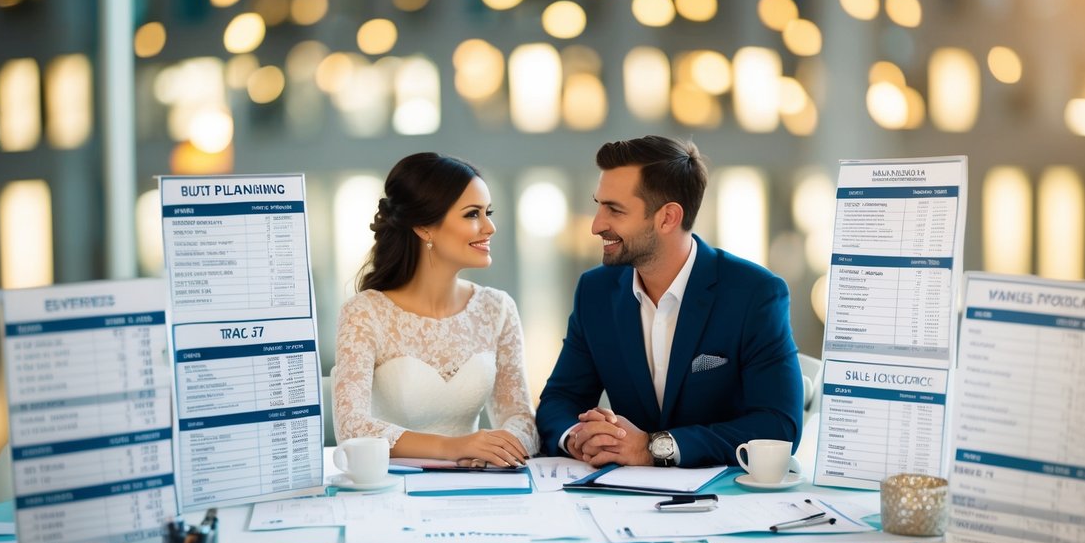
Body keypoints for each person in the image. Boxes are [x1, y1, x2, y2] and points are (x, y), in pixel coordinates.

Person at [537, 135, 803, 468]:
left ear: (667, 218)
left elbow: (779, 427)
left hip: (724, 502)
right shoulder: (595, 292)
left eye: (614, 210)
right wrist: (579, 438)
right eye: (599, 204)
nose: (596, 224)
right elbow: (559, 400)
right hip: (621, 497)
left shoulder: (754, 294)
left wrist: (654, 447)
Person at [334, 152, 538, 467]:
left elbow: (521, 418)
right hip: (392, 491)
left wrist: (493, 451)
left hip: (478, 484)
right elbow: (352, 426)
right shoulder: (365, 313)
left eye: (488, 212)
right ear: (424, 227)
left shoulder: (497, 309)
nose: (490, 227)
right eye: (473, 214)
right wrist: (455, 447)